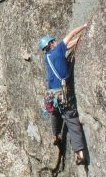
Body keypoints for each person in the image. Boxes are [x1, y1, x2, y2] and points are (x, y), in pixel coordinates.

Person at [38, 24, 88, 165]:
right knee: (71, 119)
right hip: (64, 93)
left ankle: (55, 134)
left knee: (54, 113)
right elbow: (71, 34)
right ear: (51, 44)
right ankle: (79, 153)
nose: (56, 42)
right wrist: (85, 26)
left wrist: (80, 39)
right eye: (53, 41)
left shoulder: (47, 57)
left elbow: (69, 45)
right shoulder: (58, 49)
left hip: (52, 95)